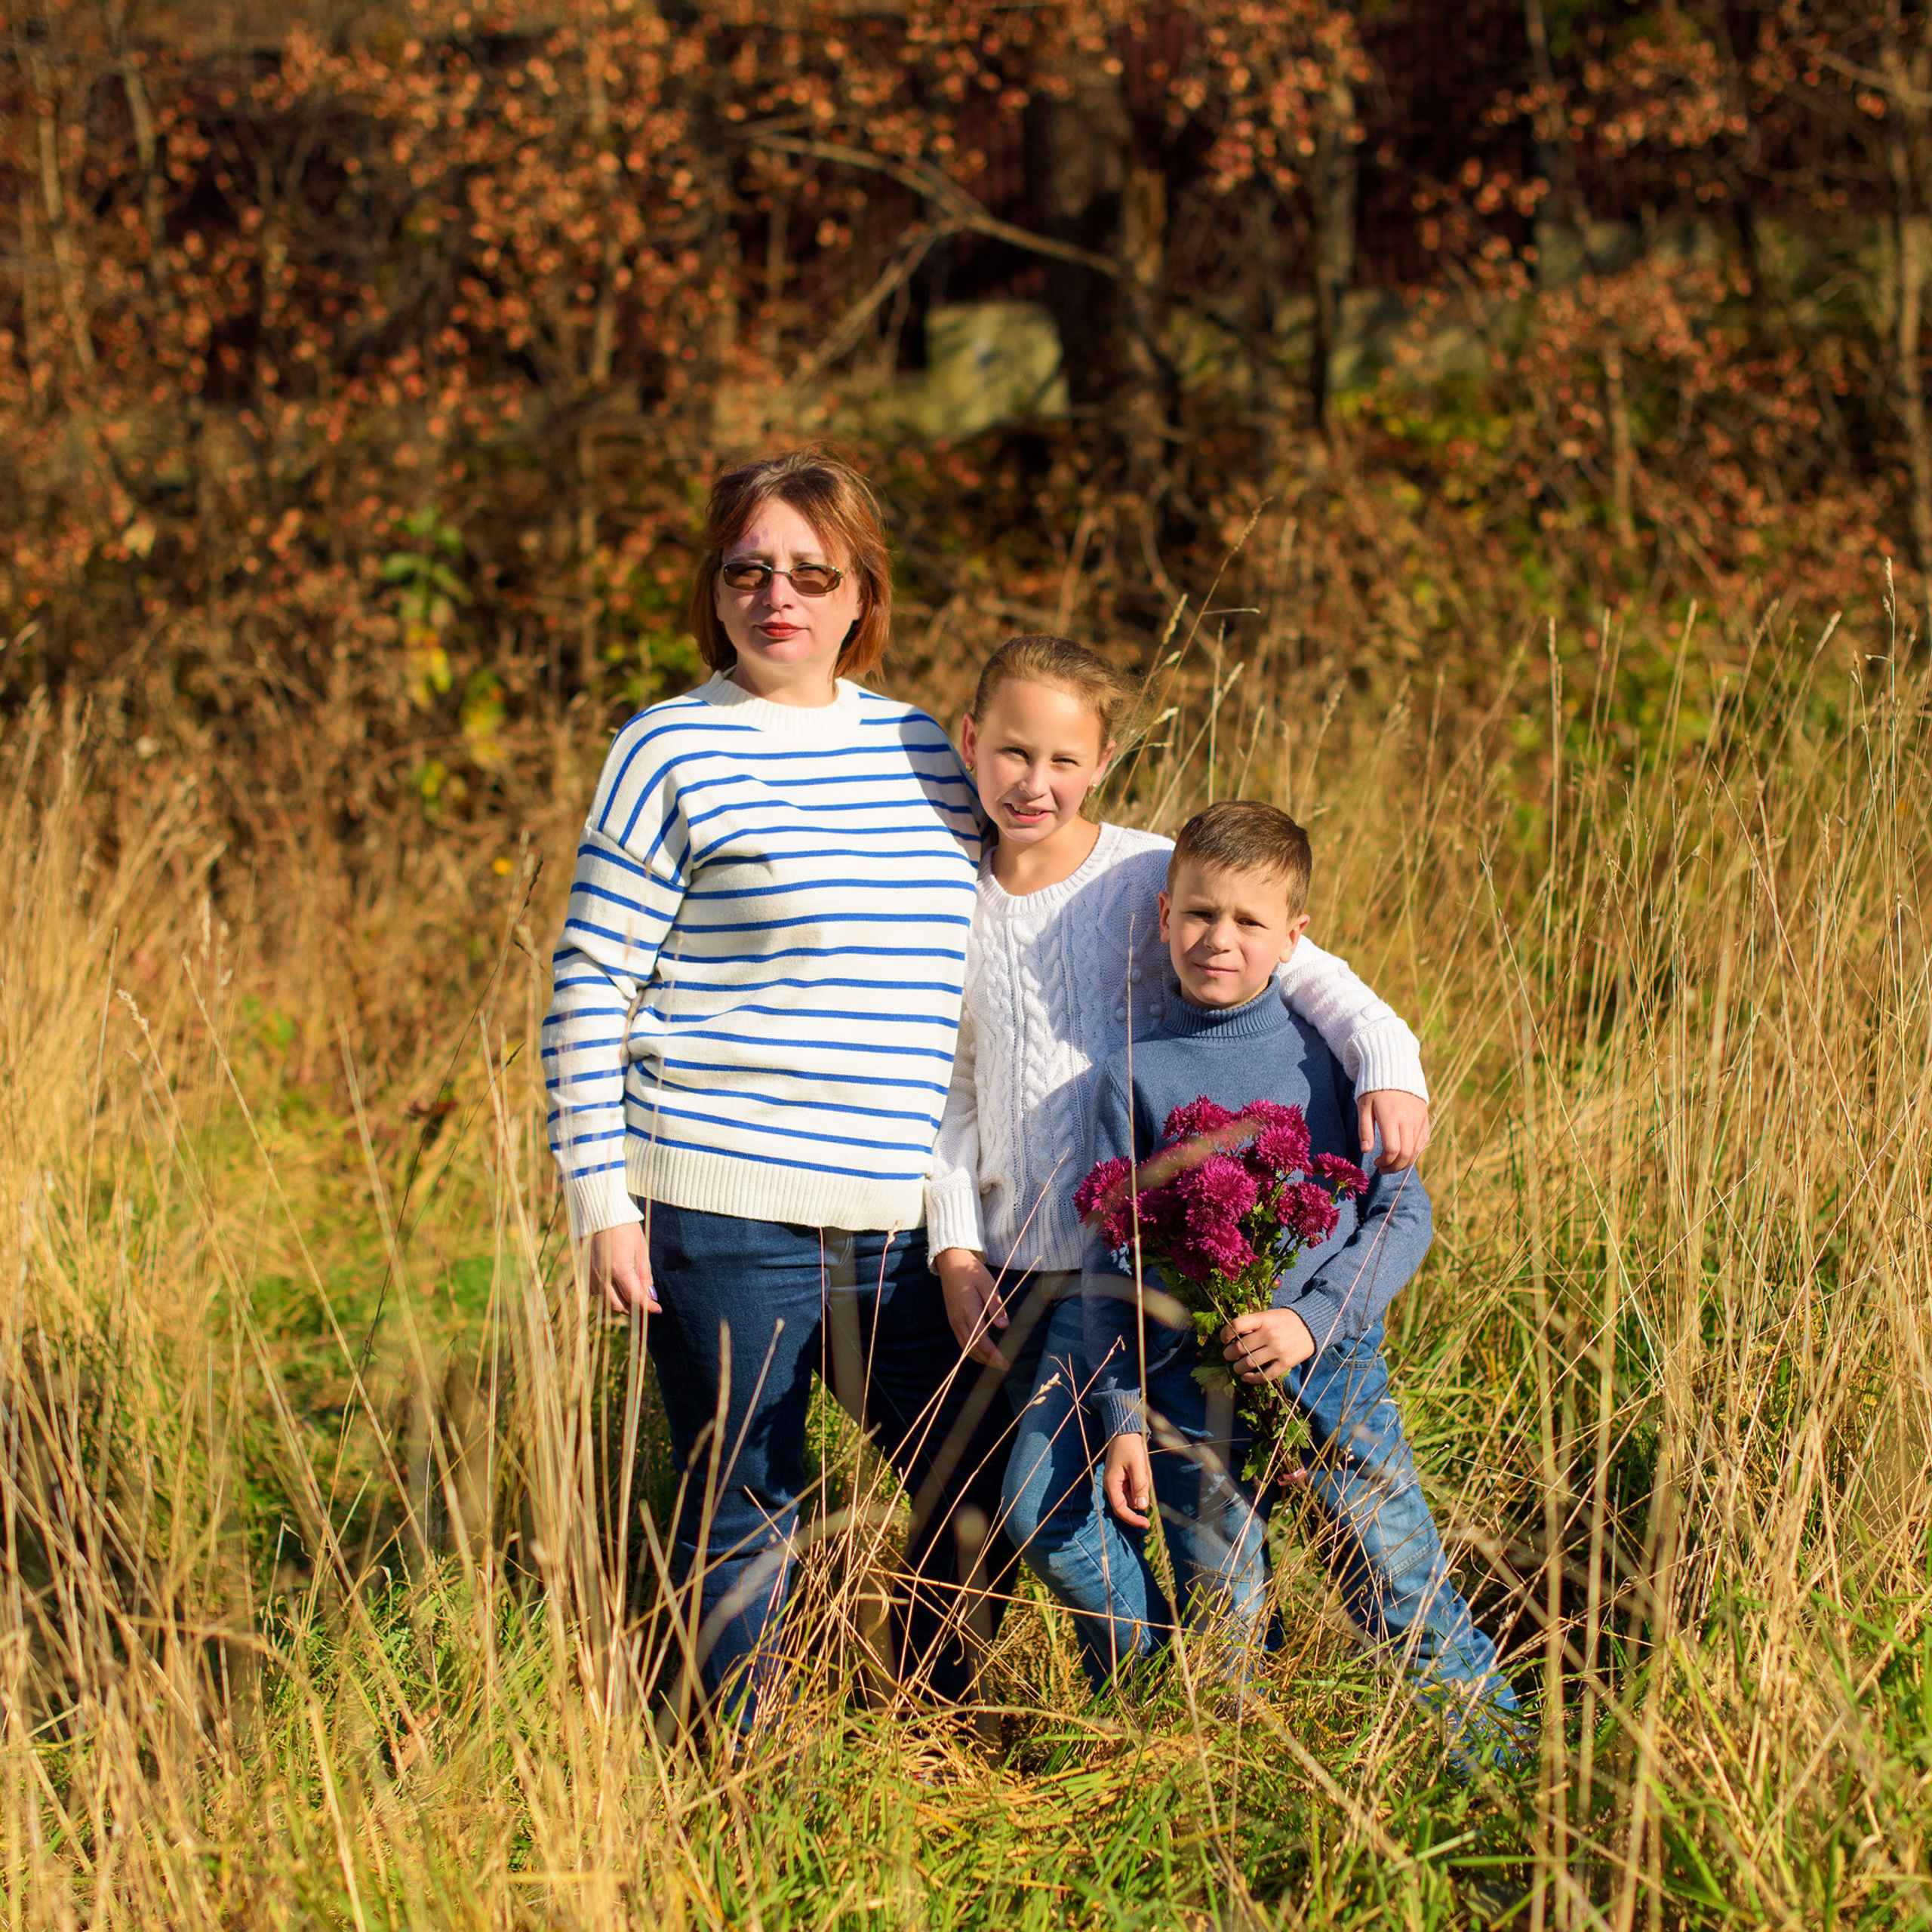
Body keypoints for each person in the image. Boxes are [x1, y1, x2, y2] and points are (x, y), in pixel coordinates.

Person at [540, 447, 1014, 1724]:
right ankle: (731, 1778)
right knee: (743, 1505)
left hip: (900, 1221)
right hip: (720, 1207)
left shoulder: (927, 752)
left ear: (864, 593)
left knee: (982, 1468)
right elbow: (590, 980)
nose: (778, 596)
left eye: (812, 572)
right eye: (749, 571)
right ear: (716, 589)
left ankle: (929, 1721)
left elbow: (996, 956)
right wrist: (600, 1198)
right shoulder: (667, 747)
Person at [1024, 799, 1518, 1767]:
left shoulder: (1328, 1057)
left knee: (1399, 1584)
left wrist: (1311, 1318)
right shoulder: (1133, 1077)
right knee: (1227, 1622)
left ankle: (1504, 1772)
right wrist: (1121, 1414)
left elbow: (1401, 1213)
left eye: (1249, 921)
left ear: (1294, 936)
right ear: (1164, 915)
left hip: (1332, 1372)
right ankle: (1246, 1800)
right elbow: (1113, 1267)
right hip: (1189, 1387)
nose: (1220, 939)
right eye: (1200, 914)